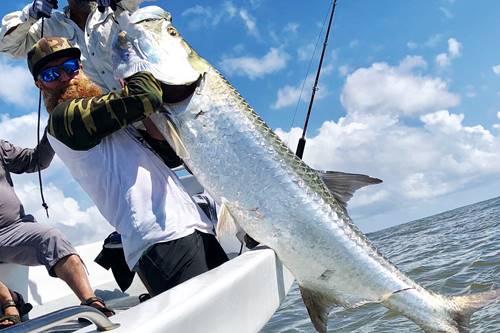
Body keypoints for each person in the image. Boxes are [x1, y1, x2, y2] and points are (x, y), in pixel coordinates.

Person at [28, 37, 229, 296]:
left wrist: (154, 130)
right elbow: (146, 96)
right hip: (162, 239)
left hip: (190, 226)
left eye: (70, 66)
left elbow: (169, 158)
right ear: (40, 84)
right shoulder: (64, 119)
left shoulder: (108, 126)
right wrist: (133, 59)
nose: (65, 77)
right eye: (52, 73)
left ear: (80, 66)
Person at [0, 134, 114, 319]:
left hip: (13, 229)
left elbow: (34, 161)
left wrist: (51, 131)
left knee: (52, 237)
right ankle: (8, 300)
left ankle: (89, 300)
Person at [0, 0, 146, 93]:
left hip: (150, 113)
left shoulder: (120, 7)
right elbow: (9, 47)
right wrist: (29, 15)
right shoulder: (51, 25)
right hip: (103, 125)